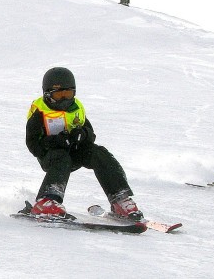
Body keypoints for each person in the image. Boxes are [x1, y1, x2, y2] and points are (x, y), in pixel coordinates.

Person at [25, 67, 142, 221]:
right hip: (52, 157)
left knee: (99, 153)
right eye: (59, 95)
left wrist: (82, 134)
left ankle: (120, 199)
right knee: (62, 158)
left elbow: (90, 133)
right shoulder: (40, 111)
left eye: (68, 94)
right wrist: (55, 142)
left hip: (75, 151)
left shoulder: (76, 107)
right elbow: (32, 143)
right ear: (47, 94)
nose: (65, 99)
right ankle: (47, 200)